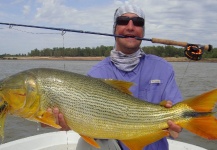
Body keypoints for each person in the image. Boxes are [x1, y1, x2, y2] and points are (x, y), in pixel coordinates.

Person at [46, 4, 183, 150]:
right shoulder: (96, 74)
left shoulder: (163, 68)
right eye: (123, 21)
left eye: (138, 22)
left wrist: (178, 126)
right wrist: (68, 122)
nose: (130, 27)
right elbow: (89, 129)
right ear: (114, 29)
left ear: (143, 31)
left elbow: (177, 129)